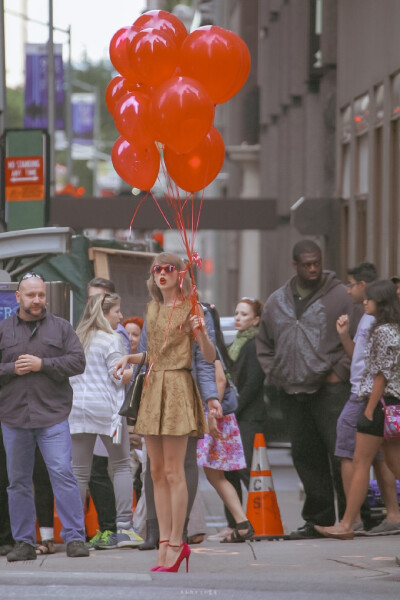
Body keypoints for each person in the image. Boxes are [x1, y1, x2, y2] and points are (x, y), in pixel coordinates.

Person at [114, 252, 215, 572]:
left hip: (178, 389)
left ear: (180, 274)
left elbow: (209, 356)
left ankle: (176, 542)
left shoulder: (193, 308)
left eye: (169, 269)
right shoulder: (152, 309)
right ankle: (163, 544)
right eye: (157, 269)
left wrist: (200, 332)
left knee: (174, 472)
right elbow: (153, 354)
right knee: (155, 473)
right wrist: (130, 359)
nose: (162, 273)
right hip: (154, 388)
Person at [256, 240, 360, 539]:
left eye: (317, 263)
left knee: (341, 454)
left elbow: (357, 340)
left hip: (330, 391)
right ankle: (317, 519)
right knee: (305, 455)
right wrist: (274, 373)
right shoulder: (278, 301)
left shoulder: (341, 296)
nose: (313, 268)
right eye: (306, 264)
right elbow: (263, 344)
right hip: (291, 391)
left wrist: (338, 372)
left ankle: (352, 518)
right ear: (295, 265)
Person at [0, 272, 89, 561]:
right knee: (18, 482)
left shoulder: (61, 328)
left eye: (40, 295)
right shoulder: (3, 330)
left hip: (52, 417)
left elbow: (78, 362)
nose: (37, 300)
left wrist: (43, 364)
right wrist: (13, 368)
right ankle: (24, 543)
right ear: (18, 297)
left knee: (62, 474)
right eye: (31, 295)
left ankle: (75, 538)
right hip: (14, 418)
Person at [315, 279, 400, 540]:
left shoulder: (384, 331)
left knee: (361, 462)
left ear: (381, 303)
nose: (365, 301)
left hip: (379, 404)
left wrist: (369, 409)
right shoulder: (389, 328)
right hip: (388, 404)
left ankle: (347, 524)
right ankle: (348, 523)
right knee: (394, 465)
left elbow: (381, 375)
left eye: (370, 298)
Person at [69, 293, 142, 549]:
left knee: (79, 471)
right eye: (116, 312)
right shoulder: (112, 340)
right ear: (104, 314)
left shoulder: (77, 337)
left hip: (77, 410)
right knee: (121, 465)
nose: (121, 317)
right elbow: (118, 375)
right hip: (107, 410)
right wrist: (136, 371)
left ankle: (75, 532)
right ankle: (124, 528)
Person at [197, 302, 255, 543]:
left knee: (212, 475)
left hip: (214, 418)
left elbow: (219, 380)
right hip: (216, 416)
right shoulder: (209, 345)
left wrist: (211, 411)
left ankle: (240, 523)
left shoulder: (209, 347)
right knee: (215, 476)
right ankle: (241, 523)